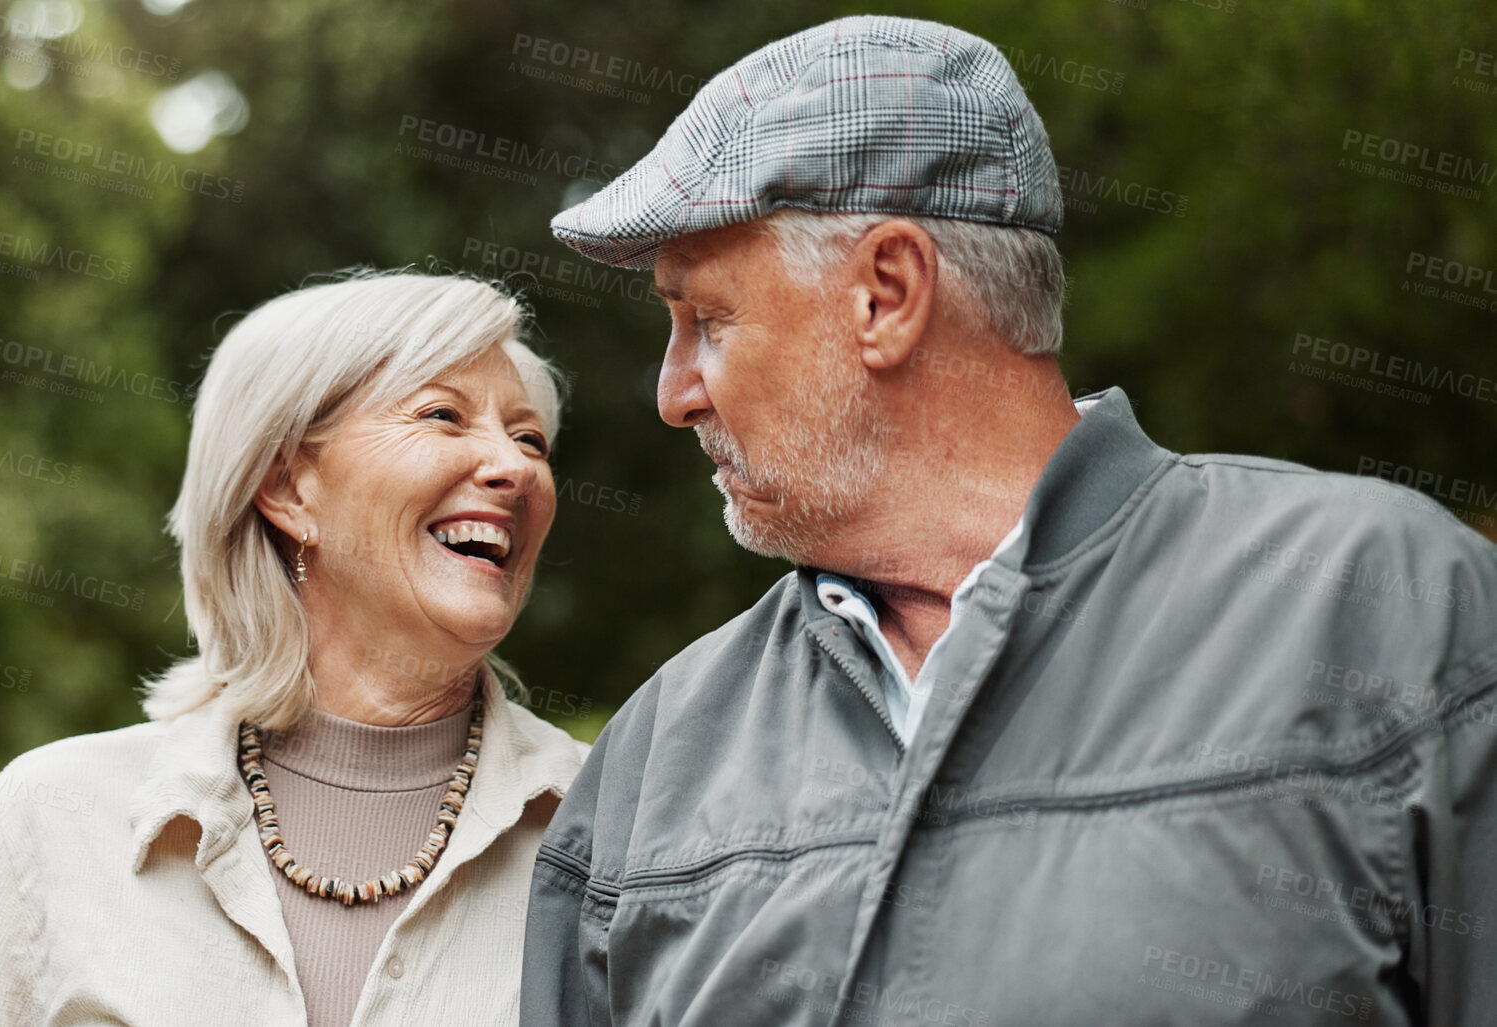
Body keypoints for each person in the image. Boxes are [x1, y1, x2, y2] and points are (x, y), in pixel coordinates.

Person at [521, 15, 1497, 1026]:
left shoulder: (1388, 608)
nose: (675, 393)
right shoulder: (654, 759)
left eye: (708, 321)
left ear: (887, 295)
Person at [0, 270, 591, 1026]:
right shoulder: (50, 814)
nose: (515, 469)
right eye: (443, 414)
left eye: (529, 437)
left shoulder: (611, 832)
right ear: (287, 488)